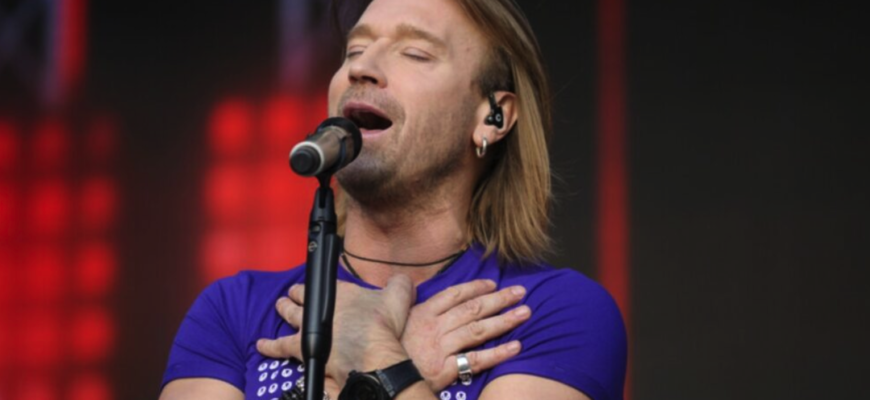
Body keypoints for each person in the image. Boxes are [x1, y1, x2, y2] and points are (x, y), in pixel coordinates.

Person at [159, 0, 627, 399]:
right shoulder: (235, 310)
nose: (360, 68)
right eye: (354, 50)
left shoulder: (552, 312)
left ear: (493, 116)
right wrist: (381, 377)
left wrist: (375, 353)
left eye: (415, 53)